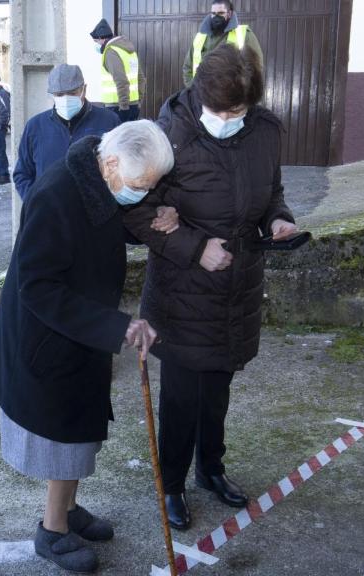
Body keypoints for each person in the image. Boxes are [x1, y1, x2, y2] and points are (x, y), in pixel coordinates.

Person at [0, 120, 177, 572]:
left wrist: (157, 216)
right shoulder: (57, 194)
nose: (143, 193)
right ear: (110, 163)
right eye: (140, 185)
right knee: (65, 438)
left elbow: (113, 220)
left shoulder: (97, 183)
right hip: (49, 337)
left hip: (81, 331)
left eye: (151, 186)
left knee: (80, 431)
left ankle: (69, 510)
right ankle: (52, 531)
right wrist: (115, 325)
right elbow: (37, 286)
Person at [124, 44, 297, 531]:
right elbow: (137, 211)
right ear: (200, 93)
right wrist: (194, 247)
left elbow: (272, 192)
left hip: (237, 288)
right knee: (180, 397)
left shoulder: (265, 131)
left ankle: (211, 470)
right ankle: (172, 483)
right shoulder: (168, 135)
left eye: (239, 110)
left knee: (218, 388)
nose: (230, 118)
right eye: (222, 110)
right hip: (182, 292)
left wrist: (279, 220)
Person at [13, 64, 120, 199]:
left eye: (72, 93)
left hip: (95, 214)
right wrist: (35, 203)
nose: (66, 98)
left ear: (84, 90)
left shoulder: (108, 121)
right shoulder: (35, 126)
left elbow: (121, 169)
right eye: (59, 94)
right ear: (51, 95)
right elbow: (22, 174)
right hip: (50, 213)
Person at [182, 0, 263, 86]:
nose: (216, 17)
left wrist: (241, 92)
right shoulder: (200, 37)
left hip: (230, 97)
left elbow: (256, 67)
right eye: (213, 13)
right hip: (201, 96)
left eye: (221, 13)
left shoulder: (243, 34)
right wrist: (193, 89)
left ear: (229, 13)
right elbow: (187, 67)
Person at [89, 19, 146, 123]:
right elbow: (141, 79)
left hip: (117, 107)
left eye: (96, 41)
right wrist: (138, 102)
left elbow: (121, 80)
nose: (97, 44)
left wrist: (124, 106)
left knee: (116, 138)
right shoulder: (129, 51)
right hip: (132, 105)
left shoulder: (110, 52)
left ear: (102, 38)